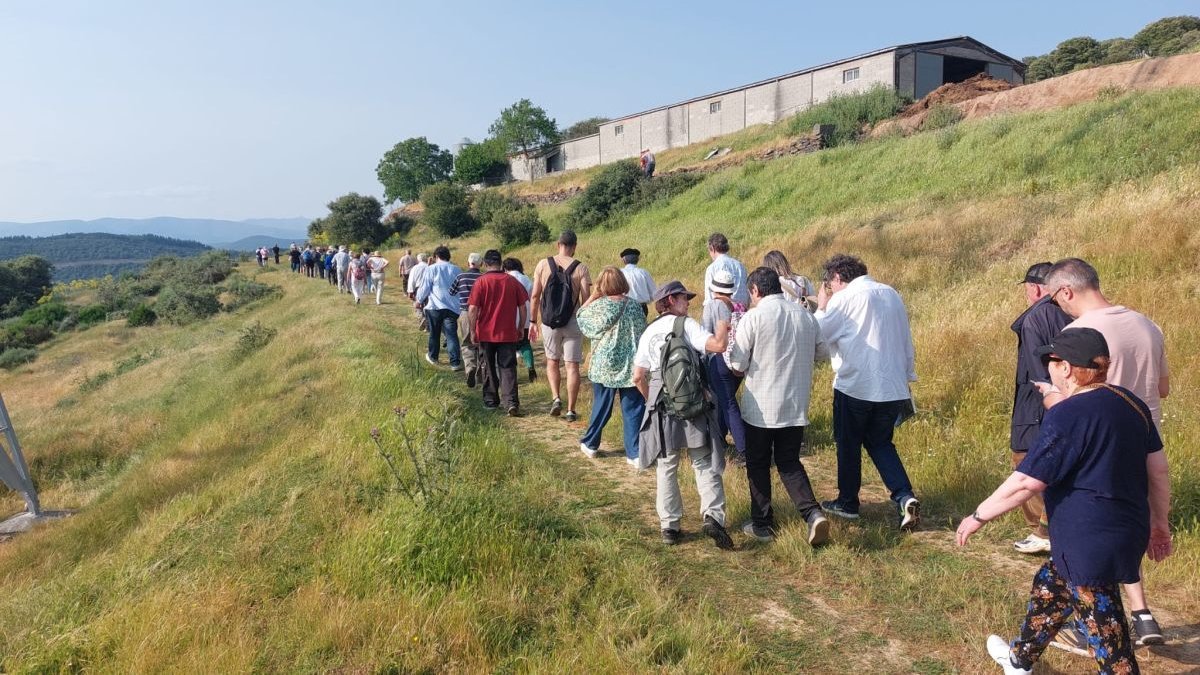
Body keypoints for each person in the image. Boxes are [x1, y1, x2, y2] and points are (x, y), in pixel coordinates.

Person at [955, 327, 1172, 675]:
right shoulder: (1133, 404)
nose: (1048, 368)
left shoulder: (1068, 414)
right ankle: (1019, 661)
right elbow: (1158, 471)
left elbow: (1026, 481)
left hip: (1087, 543)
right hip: (1126, 531)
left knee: (1111, 645)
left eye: (1050, 360)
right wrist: (1160, 524)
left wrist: (978, 516)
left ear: (1067, 368)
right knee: (1051, 586)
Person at [1041, 257, 1171, 647]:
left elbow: (1075, 399)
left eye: (1054, 299)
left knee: (1089, 537)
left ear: (1067, 291)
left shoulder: (1080, 332)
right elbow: (1162, 389)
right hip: (1145, 442)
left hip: (1096, 447)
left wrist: (1049, 396)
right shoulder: (1148, 324)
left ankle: (1090, 629)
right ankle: (1142, 614)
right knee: (1127, 529)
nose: (1056, 307)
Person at [815, 254, 920, 531]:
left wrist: (822, 307)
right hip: (893, 385)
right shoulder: (891, 293)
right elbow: (905, 337)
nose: (829, 288)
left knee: (848, 442)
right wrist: (908, 375)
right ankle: (904, 495)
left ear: (837, 278)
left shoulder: (845, 298)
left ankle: (848, 502)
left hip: (856, 385)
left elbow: (820, 336)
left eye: (829, 283)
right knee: (881, 443)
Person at [729, 267, 829, 545]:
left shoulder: (754, 317)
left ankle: (762, 523)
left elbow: (737, 363)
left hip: (761, 406)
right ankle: (812, 514)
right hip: (795, 404)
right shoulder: (805, 316)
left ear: (755, 291)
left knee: (758, 463)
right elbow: (822, 353)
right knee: (789, 462)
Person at [633, 281, 733, 550]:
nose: (687, 302)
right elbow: (718, 346)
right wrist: (724, 320)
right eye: (683, 298)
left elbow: (638, 376)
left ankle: (670, 525)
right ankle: (712, 516)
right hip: (692, 402)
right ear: (670, 300)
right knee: (702, 461)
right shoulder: (687, 325)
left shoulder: (649, 332)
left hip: (661, 402)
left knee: (667, 466)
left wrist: (651, 400)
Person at [1008, 262, 1070, 555]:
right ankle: (1057, 528)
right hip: (1069, 396)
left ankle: (1041, 532)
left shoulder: (1036, 318)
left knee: (1025, 461)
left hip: (1038, 403)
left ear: (1034, 288)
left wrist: (1048, 398)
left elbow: (1036, 371)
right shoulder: (1072, 311)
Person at [577, 266, 647, 466]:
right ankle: (634, 453)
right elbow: (643, 331)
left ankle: (591, 443)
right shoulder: (634, 306)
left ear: (601, 285)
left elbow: (581, 316)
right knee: (633, 408)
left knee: (602, 406)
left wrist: (593, 296)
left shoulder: (598, 307)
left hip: (604, 364)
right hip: (630, 364)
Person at [530, 230, 592, 422]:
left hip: (549, 323)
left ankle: (556, 398)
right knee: (572, 366)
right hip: (572, 321)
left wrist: (533, 321)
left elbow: (535, 296)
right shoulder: (581, 268)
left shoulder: (542, 264)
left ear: (558, 244)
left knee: (552, 361)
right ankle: (571, 410)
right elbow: (585, 299)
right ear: (574, 247)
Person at [468, 250, 529, 416]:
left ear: (485, 264)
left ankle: (491, 400)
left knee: (488, 366)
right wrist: (520, 327)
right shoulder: (512, 281)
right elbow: (523, 307)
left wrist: (472, 330)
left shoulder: (481, 282)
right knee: (508, 367)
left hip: (486, 333)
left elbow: (473, 309)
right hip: (508, 333)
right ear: (501, 263)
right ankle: (511, 402)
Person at [702, 269, 748, 465]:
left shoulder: (712, 305)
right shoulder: (739, 305)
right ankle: (720, 438)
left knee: (728, 403)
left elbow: (705, 333)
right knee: (725, 400)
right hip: (738, 361)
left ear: (713, 288)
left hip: (719, 359)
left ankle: (744, 449)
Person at [415, 246, 463, 371]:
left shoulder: (431, 269)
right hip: (452, 307)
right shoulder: (457, 269)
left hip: (435, 306)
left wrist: (418, 301)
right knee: (451, 334)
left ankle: (433, 357)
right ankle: (455, 362)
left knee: (434, 333)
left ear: (436, 256)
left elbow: (425, 287)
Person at [451, 253, 484, 386]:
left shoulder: (460, 276)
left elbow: (451, 292)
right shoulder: (484, 277)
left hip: (465, 312)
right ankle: (481, 373)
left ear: (468, 263)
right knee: (482, 344)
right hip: (482, 314)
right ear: (481, 264)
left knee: (466, 343)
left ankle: (470, 367)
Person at [503, 257, 537, 383]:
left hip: (509, 317)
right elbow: (532, 297)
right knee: (525, 344)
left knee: (509, 346)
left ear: (505, 268)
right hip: (525, 316)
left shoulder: (504, 279)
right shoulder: (525, 279)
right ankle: (530, 367)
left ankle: (513, 374)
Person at [702, 233, 750, 307]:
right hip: (742, 312)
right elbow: (746, 295)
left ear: (712, 248)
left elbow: (709, 300)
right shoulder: (740, 266)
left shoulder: (712, 268)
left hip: (722, 313)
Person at [619, 248, 656, 314]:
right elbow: (653, 293)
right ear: (637, 259)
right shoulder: (644, 273)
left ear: (624, 260)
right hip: (641, 307)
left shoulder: (619, 273)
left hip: (623, 307)